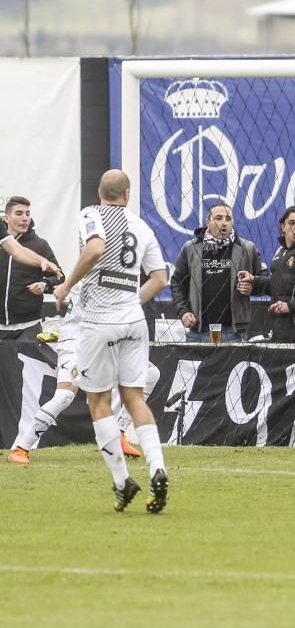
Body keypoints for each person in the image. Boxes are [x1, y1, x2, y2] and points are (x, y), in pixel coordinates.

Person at [52, 169, 169, 513]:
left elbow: (95, 248)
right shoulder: (141, 226)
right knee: (134, 398)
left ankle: (121, 481)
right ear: (127, 194)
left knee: (98, 401)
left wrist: (67, 284)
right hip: (134, 321)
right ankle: (158, 467)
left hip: (99, 322)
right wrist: (132, 302)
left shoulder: (90, 214)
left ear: (99, 192)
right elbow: (160, 278)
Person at [7, 285, 158, 464]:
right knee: (65, 395)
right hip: (76, 342)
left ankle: (118, 435)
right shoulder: (94, 275)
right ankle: (20, 448)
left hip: (102, 342)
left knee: (150, 372)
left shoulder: (119, 273)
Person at [171, 201, 267, 342]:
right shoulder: (191, 248)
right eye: (218, 218)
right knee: (194, 365)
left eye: (228, 219)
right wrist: (183, 311)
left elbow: (266, 280)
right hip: (198, 331)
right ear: (207, 222)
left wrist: (253, 285)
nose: (224, 223)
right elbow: (176, 283)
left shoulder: (247, 248)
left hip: (233, 333)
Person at [236, 206, 295, 343]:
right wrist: (255, 281)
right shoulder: (281, 252)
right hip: (281, 333)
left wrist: (290, 306)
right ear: (283, 226)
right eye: (292, 223)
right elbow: (280, 285)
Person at [0, 197, 62, 340]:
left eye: (27, 214)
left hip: (29, 327)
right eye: (19, 213)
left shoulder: (40, 245)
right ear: (7, 218)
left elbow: (59, 277)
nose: (25, 218)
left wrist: (44, 285)